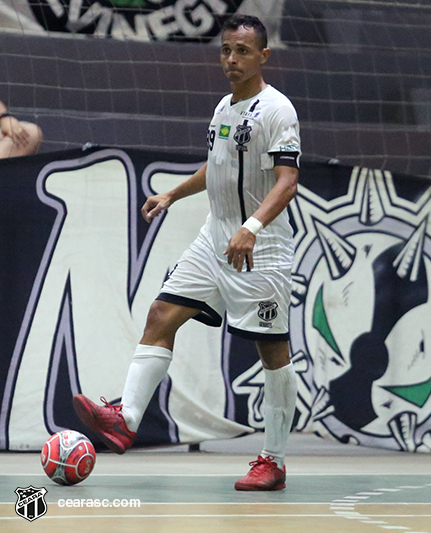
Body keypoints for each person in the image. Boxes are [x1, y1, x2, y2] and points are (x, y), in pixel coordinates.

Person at [72, 14, 301, 492]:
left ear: (263, 55)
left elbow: (288, 181)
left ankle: (273, 461)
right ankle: (125, 417)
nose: (231, 59)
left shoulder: (279, 110)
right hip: (212, 239)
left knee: (272, 352)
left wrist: (252, 227)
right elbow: (216, 168)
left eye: (241, 50)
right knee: (161, 312)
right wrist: (173, 194)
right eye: (225, 50)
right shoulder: (223, 108)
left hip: (261, 250)